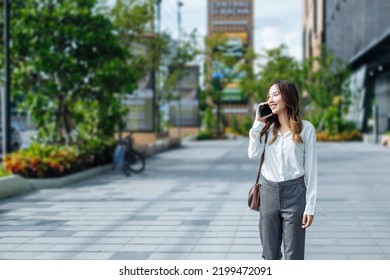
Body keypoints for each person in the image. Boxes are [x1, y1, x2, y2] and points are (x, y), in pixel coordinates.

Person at [248, 80, 317, 260]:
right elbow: (253, 154)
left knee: (294, 256)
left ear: (288, 97)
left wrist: (310, 207)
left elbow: (311, 169)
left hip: (295, 194)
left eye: (275, 94)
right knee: (269, 255)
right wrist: (257, 123)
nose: (270, 99)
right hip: (268, 193)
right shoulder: (266, 128)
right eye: (269, 96)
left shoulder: (306, 129)